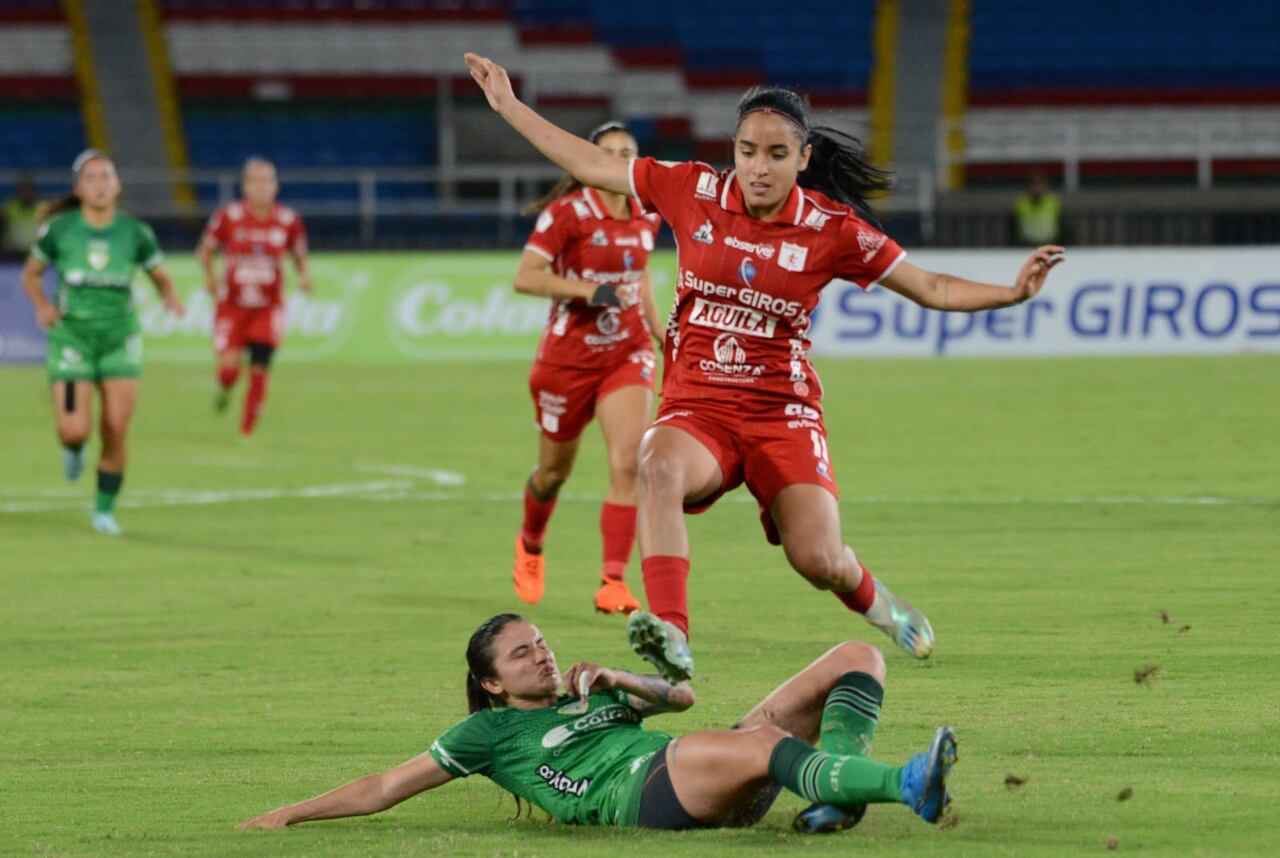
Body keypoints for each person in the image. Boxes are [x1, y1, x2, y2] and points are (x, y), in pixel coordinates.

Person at [464, 53, 1065, 683]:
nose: (759, 166)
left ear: (803, 158)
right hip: (699, 406)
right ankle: (672, 635)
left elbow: (931, 286)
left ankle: (878, 601)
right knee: (655, 465)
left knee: (819, 560)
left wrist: (1011, 292)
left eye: (777, 154)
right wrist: (508, 105)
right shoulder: (691, 189)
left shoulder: (832, 230)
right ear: (734, 150)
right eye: (748, 151)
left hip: (782, 413)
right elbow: (590, 163)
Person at [238, 612, 957, 833]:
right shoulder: (486, 735)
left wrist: (616, 676)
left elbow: (680, 699)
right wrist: (291, 815)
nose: (542, 658)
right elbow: (386, 785)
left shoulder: (589, 692)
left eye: (542, 644)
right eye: (522, 656)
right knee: (765, 743)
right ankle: (902, 782)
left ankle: (836, 797)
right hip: (643, 796)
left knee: (856, 653)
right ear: (492, 682)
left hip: (687, 765)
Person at [511, 120, 666, 616]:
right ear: (588, 160)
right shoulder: (567, 215)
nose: (620, 160)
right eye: (609, 152)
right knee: (554, 472)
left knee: (628, 462)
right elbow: (526, 277)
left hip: (625, 352)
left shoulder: (647, 211)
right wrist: (591, 292)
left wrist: (661, 333)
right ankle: (531, 545)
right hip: (566, 361)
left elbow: (637, 273)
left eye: (628, 152)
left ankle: (612, 581)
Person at [19, 150, 184, 535]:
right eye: (91, 178)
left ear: (118, 185)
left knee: (115, 428)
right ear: (78, 188)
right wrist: (42, 305)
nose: (100, 184)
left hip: (119, 342)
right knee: (75, 429)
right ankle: (73, 449)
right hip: (72, 339)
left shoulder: (135, 233)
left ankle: (104, 510)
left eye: (107, 176)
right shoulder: (60, 230)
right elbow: (31, 274)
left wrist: (170, 297)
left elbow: (159, 276)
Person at [198, 157, 310, 437]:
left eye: (268, 181)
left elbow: (299, 253)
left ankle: (246, 432)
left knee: (259, 369)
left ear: (276, 185)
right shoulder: (228, 216)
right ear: (245, 186)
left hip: (267, 308)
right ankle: (225, 389)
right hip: (232, 306)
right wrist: (210, 278)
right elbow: (205, 250)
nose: (262, 187)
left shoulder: (289, 220)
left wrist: (304, 275)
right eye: (256, 181)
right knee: (229, 371)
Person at [1013, 171, 1062, 246]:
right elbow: (1013, 226)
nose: (1037, 188)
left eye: (1040, 184)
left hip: (1050, 244)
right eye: (1034, 185)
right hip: (1025, 246)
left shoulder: (1053, 203)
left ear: (1045, 186)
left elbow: (1062, 225)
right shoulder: (1021, 203)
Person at [2, 176, 40, 261]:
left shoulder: (41, 210)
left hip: (33, 256)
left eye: (28, 191)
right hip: (12, 256)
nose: (26, 194)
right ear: (18, 192)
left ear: (34, 192)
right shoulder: (9, 209)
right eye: (23, 191)